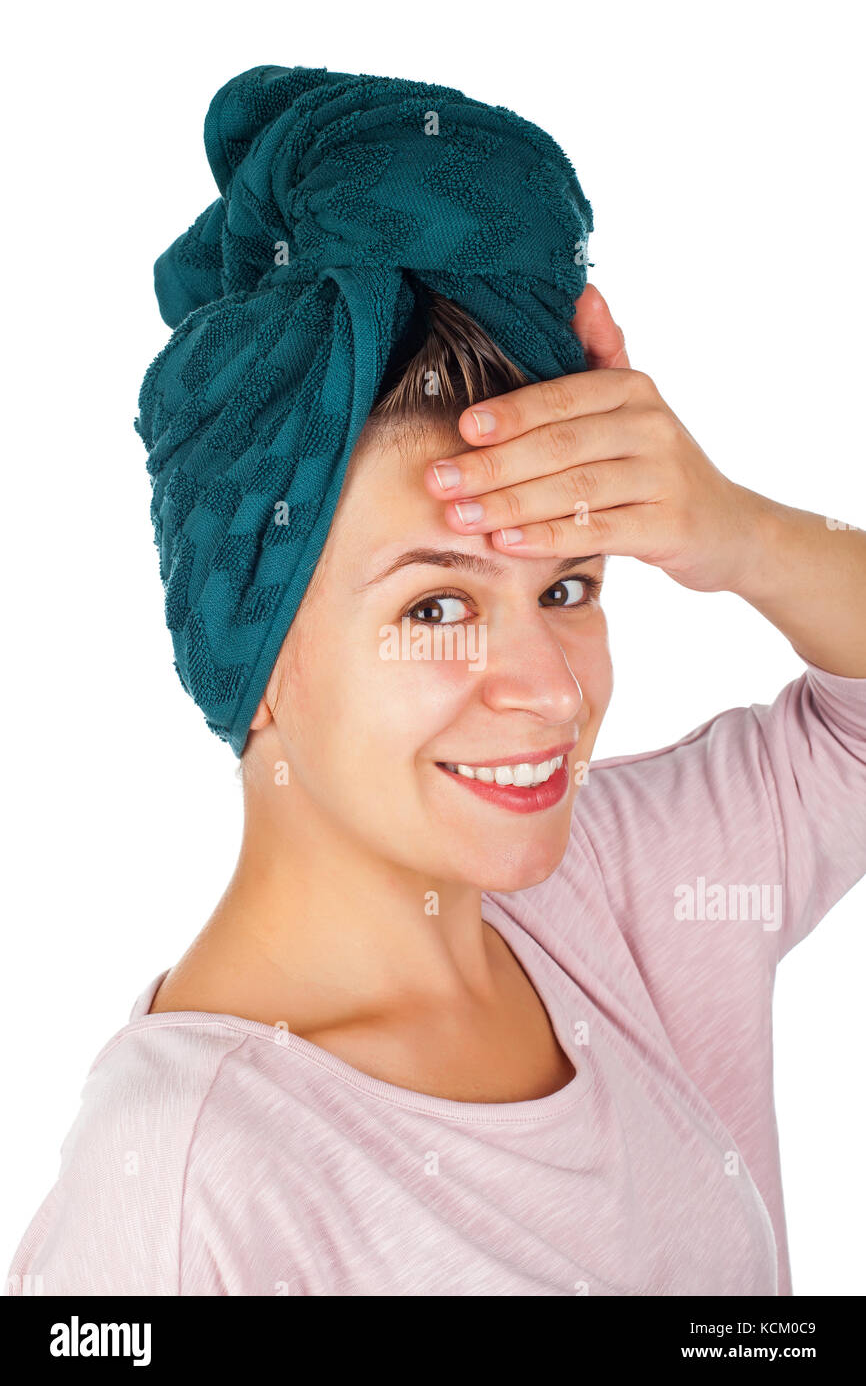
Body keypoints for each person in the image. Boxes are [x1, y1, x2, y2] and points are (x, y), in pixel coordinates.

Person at [6, 65, 866, 1298]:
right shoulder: (186, 1196)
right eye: (436, 604)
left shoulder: (612, 890)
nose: (548, 693)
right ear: (252, 659)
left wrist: (731, 530)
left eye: (567, 587)